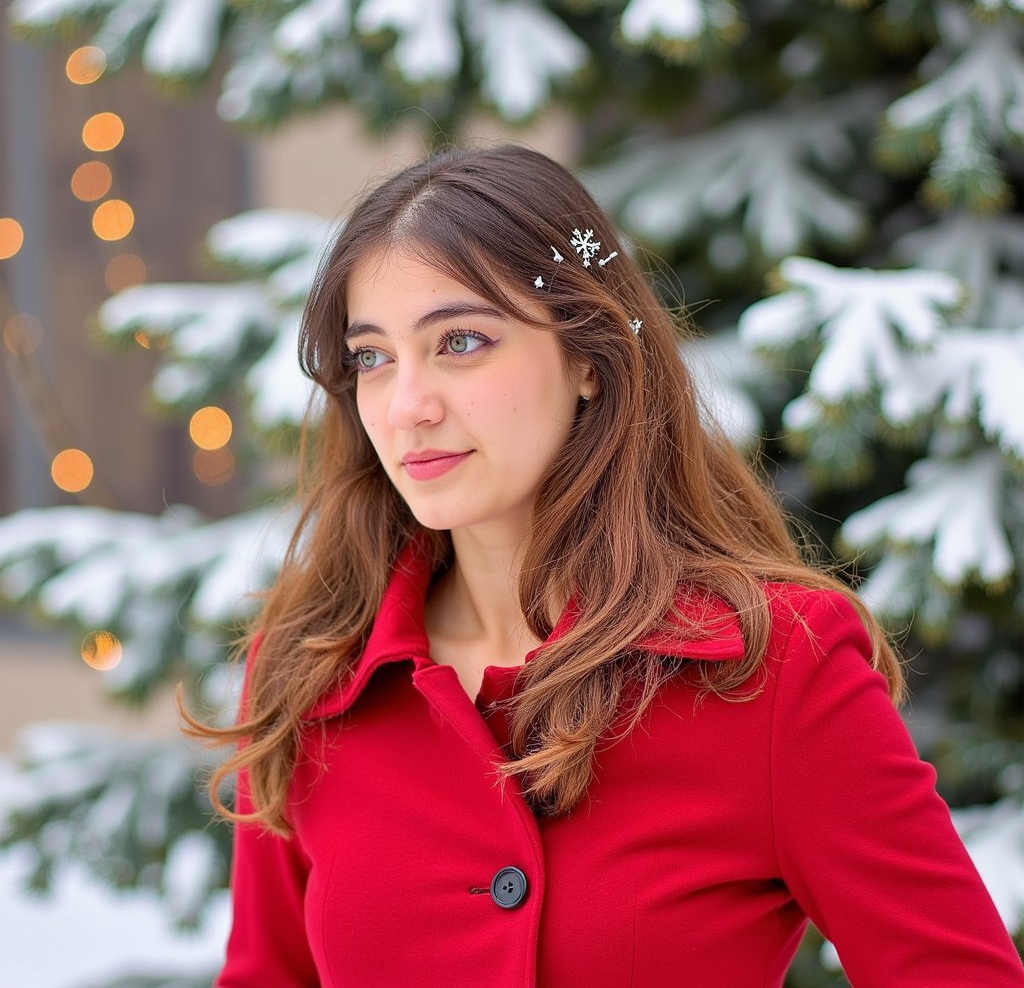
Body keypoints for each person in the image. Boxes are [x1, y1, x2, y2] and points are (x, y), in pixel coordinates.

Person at [190, 145, 1024, 987]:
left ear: (587, 358)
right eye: (372, 357)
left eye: (462, 341)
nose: (408, 405)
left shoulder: (773, 668)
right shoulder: (309, 671)